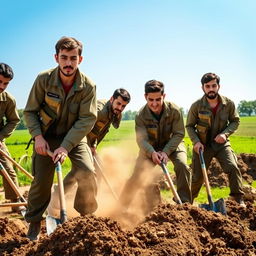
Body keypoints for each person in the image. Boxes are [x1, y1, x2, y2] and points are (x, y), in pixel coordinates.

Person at [24, 36, 97, 240]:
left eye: (73, 58)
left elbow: (86, 120)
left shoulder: (88, 86)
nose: (68, 63)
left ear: (80, 60)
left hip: (74, 138)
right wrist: (37, 137)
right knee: (41, 180)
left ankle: (86, 217)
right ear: (56, 58)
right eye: (64, 58)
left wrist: (65, 147)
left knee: (87, 171)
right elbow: (30, 111)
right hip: (46, 137)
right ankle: (34, 222)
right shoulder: (43, 79)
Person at [119, 80, 192, 213]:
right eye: (150, 99)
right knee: (137, 174)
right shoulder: (140, 115)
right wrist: (152, 153)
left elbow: (179, 133)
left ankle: (185, 205)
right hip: (150, 148)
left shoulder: (175, 110)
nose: (154, 104)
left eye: (158, 99)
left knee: (182, 166)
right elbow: (141, 140)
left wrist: (166, 152)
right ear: (145, 97)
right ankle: (122, 206)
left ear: (164, 96)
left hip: (172, 145)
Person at [186, 72, 244, 206]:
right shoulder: (196, 106)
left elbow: (235, 121)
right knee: (197, 177)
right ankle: (188, 202)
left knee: (233, 167)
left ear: (219, 86)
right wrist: (196, 142)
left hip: (221, 145)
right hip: (203, 145)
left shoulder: (228, 104)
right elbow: (189, 126)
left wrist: (225, 134)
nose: (211, 89)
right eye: (207, 86)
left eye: (213, 85)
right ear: (203, 88)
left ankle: (238, 198)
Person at [62, 88, 130, 193]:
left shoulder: (113, 111)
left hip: (89, 141)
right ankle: (61, 195)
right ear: (112, 99)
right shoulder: (99, 111)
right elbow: (82, 125)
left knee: (94, 170)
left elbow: (98, 130)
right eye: (118, 103)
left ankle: (92, 198)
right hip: (77, 137)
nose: (120, 108)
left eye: (123, 106)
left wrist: (93, 144)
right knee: (84, 170)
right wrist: (87, 145)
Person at [0, 63, 23, 212]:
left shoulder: (8, 100)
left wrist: (0, 137)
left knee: (9, 170)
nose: (2, 86)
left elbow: (14, 120)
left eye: (6, 83)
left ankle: (16, 205)